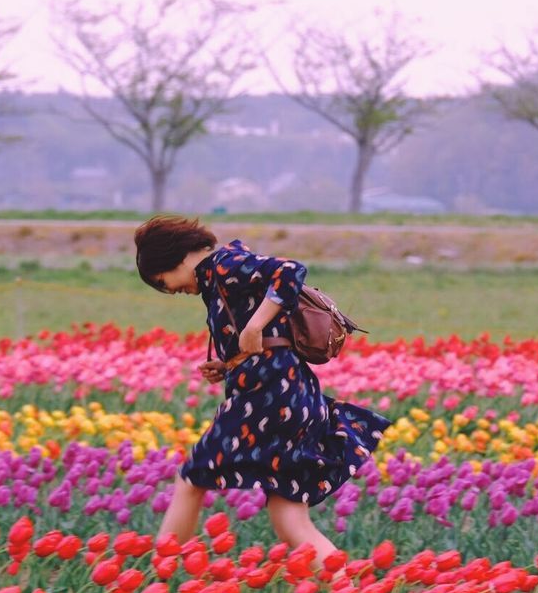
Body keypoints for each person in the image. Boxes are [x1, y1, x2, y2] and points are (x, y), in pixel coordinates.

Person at [134, 214, 390, 564]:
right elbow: (265, 341)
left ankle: (158, 573)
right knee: (287, 515)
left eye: (164, 282)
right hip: (289, 394)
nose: (171, 290)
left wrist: (255, 326)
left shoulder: (224, 264)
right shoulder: (215, 281)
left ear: (176, 258)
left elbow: (290, 270)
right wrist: (227, 365)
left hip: (268, 398)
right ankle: (345, 588)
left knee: (192, 478)